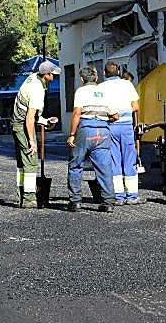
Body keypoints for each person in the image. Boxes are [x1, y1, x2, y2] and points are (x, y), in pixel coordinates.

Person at [10, 60, 60, 208]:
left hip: (17, 123)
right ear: (47, 75)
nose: (54, 77)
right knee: (31, 160)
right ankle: (29, 198)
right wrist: (32, 140)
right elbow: (30, 117)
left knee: (22, 163)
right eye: (53, 74)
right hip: (22, 125)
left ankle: (20, 195)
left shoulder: (33, 78)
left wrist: (45, 121)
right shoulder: (37, 89)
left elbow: (31, 114)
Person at [67, 66, 117, 213]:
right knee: (104, 167)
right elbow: (115, 116)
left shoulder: (81, 91)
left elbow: (77, 113)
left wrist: (72, 134)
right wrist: (103, 120)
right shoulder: (105, 92)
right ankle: (108, 202)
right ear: (96, 77)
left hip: (86, 130)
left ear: (82, 79)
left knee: (76, 164)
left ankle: (76, 201)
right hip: (103, 132)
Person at [101, 61, 142, 205]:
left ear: (104, 73)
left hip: (110, 125)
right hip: (126, 127)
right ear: (118, 71)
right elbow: (136, 106)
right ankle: (132, 196)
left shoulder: (101, 87)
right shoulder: (127, 84)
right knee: (129, 159)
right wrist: (124, 111)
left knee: (114, 160)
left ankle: (118, 196)